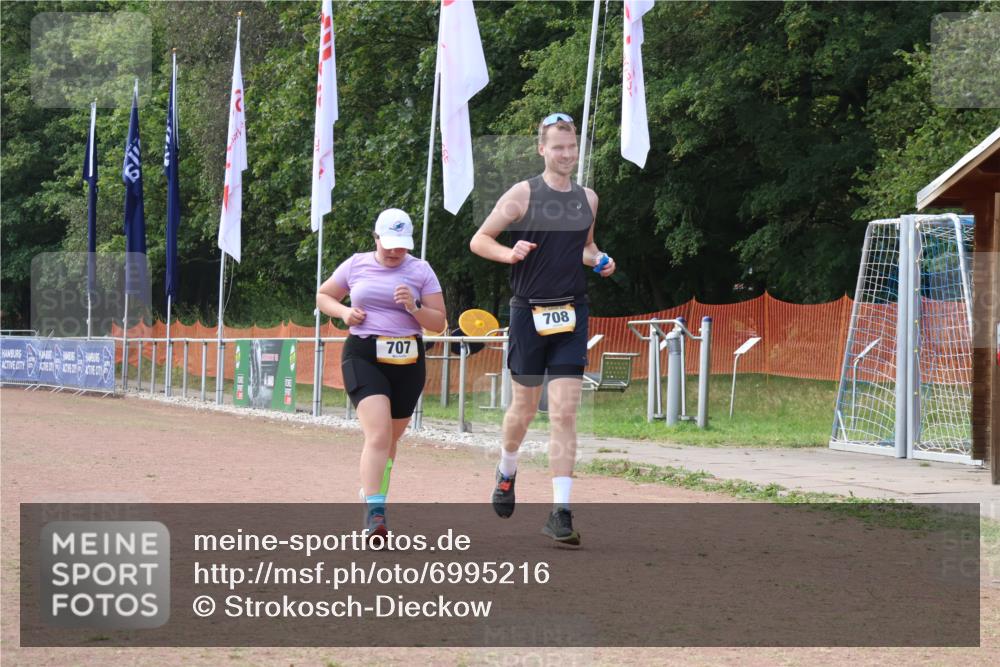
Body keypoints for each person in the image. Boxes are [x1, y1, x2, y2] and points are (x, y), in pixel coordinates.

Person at [469, 113, 616, 545]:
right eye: (558, 147)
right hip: (528, 315)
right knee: (524, 411)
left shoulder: (588, 199)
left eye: (571, 147)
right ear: (542, 149)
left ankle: (561, 512)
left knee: (566, 412)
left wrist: (601, 260)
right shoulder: (523, 194)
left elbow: (585, 249)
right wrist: (508, 252)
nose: (566, 154)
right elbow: (480, 240)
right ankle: (507, 468)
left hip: (571, 314)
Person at [317, 208, 447, 538]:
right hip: (364, 354)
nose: (394, 252)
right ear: (375, 238)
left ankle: (371, 493)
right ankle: (376, 514)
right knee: (377, 435)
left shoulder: (421, 270)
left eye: (401, 246)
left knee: (390, 439)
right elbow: (323, 296)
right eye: (388, 244)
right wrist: (344, 311)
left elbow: (439, 323)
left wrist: (414, 308)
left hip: (408, 360)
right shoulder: (356, 264)